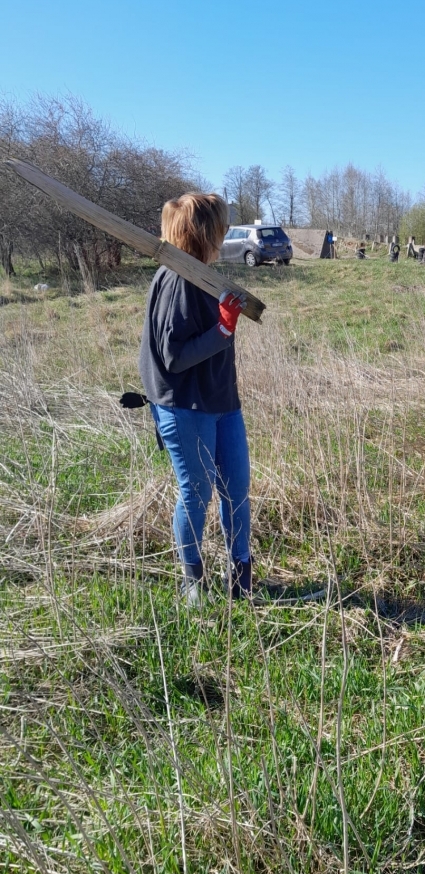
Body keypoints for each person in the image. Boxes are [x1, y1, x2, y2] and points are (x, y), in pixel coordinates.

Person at [138, 192, 253, 605]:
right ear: (203, 232)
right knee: (196, 493)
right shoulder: (176, 280)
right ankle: (193, 583)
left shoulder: (204, 275)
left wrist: (223, 324)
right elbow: (174, 355)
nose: (224, 233)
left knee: (236, 486)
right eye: (219, 226)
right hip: (183, 403)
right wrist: (222, 332)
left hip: (222, 399)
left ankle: (241, 579)